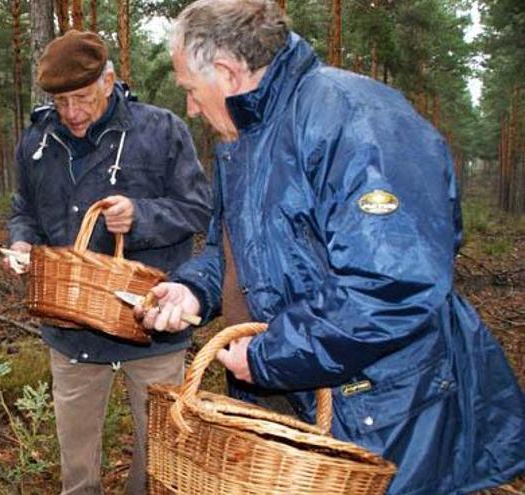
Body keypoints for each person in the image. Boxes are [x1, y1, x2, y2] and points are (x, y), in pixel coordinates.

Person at [137, 1, 525, 494]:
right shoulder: (246, 138)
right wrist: (192, 290)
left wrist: (268, 357)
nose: (191, 107)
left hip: (383, 409)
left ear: (227, 72)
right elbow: (231, 250)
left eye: (191, 91)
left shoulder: (354, 119)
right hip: (294, 395)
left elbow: (392, 285)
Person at [5, 30, 211, 494]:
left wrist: (141, 215)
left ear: (109, 80)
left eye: (82, 98)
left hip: (152, 326)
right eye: (61, 102)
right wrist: (21, 243)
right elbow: (24, 209)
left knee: (159, 461)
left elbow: (198, 208)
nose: (72, 114)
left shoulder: (160, 130)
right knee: (77, 473)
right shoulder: (37, 141)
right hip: (71, 329)